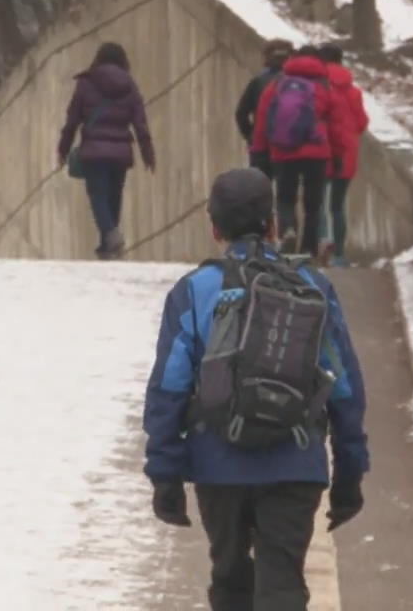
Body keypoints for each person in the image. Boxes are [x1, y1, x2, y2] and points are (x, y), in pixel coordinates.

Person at [142, 167, 369, 611]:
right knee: (282, 584)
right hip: (295, 460)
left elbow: (169, 387)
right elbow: (343, 385)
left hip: (217, 463)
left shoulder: (193, 292)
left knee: (230, 581)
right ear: (273, 226)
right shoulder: (311, 286)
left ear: (214, 228)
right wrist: (350, 470)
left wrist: (165, 472)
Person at [57, 42, 156, 259]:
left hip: (94, 151)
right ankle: (108, 246)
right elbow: (140, 123)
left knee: (98, 196)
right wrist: (148, 152)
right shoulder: (129, 85)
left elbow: (72, 119)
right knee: (114, 196)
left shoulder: (86, 83)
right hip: (120, 152)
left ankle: (110, 236)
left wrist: (63, 148)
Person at [250, 44, 336, 255]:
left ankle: (288, 231)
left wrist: (259, 150)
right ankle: (309, 248)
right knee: (313, 204)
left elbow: (263, 117)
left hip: (284, 151)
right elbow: (336, 124)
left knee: (286, 198)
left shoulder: (278, 84)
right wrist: (338, 153)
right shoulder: (323, 86)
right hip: (317, 153)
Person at [316, 43, 369, 266]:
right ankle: (339, 254)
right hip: (347, 154)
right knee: (338, 205)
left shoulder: (319, 88)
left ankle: (323, 242)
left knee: (319, 202)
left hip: (323, 151)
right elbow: (362, 122)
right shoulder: (353, 91)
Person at [234, 39, 294, 178]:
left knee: (258, 189)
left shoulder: (258, 81)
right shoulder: (299, 83)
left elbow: (241, 113)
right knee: (286, 195)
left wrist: (251, 135)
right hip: (289, 146)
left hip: (262, 144)